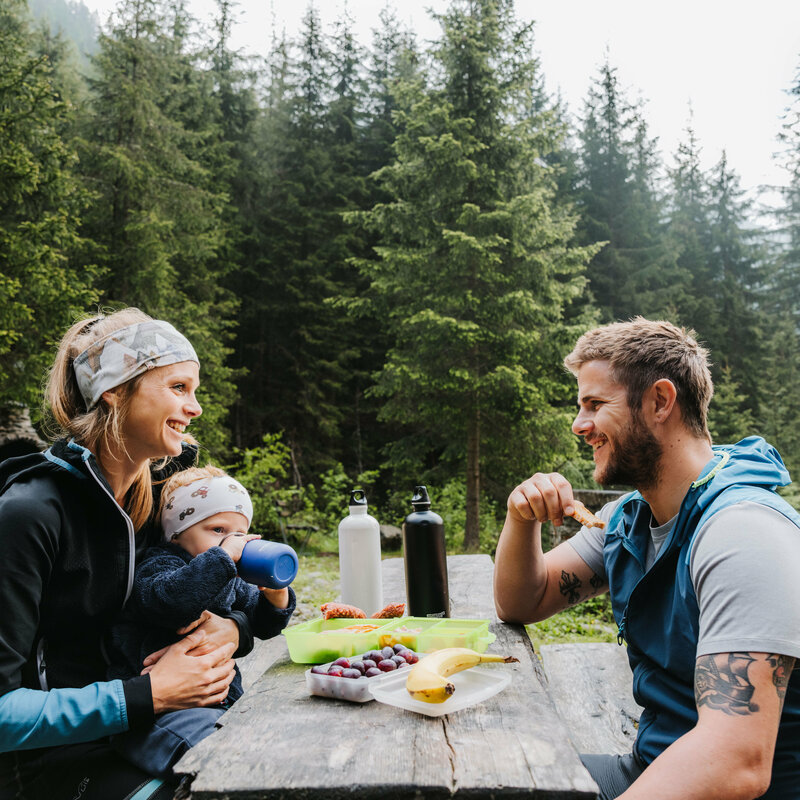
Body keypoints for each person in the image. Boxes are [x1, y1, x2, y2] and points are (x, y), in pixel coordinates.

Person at [493, 318, 800, 800]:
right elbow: (522, 602)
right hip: (648, 768)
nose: (579, 425)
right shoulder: (629, 519)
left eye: (595, 404)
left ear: (660, 401)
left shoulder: (744, 532)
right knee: (490, 778)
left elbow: (736, 762)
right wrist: (520, 517)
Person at [0, 308, 251, 800]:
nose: (196, 407)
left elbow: (223, 586)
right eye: (178, 388)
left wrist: (231, 629)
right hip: (50, 769)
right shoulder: (29, 514)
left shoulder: (160, 500)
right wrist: (148, 695)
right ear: (113, 392)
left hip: (147, 735)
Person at [109, 465, 296, 778]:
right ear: (178, 533)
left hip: (217, 701)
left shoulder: (232, 576)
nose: (232, 542)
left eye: (239, 533)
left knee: (262, 742)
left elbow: (261, 625)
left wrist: (276, 598)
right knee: (215, 758)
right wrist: (222, 559)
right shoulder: (161, 563)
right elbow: (171, 603)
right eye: (218, 530)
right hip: (157, 714)